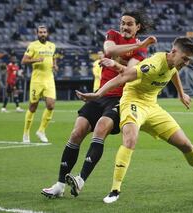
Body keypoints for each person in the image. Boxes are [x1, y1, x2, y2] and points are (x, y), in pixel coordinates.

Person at [76, 36, 193, 204]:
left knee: (185, 144)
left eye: (189, 60)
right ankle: (115, 190)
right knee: (130, 139)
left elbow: (173, 73)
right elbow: (123, 77)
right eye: (184, 58)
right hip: (133, 102)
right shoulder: (152, 64)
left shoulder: (173, 62)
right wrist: (98, 94)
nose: (186, 63)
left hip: (152, 106)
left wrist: (181, 94)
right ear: (173, 52)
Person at [41, 10, 156, 198]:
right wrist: (134, 47)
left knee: (100, 128)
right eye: (123, 23)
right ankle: (59, 185)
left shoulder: (142, 51)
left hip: (121, 98)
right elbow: (109, 50)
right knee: (77, 132)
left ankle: (80, 179)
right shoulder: (113, 35)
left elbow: (128, 72)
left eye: (129, 24)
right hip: (100, 95)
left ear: (138, 27)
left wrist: (117, 63)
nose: (124, 27)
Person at [21, 25, 58, 143]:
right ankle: (26, 133)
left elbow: (53, 57)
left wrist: (55, 65)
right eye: (40, 32)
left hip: (49, 79)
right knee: (33, 106)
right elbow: (24, 61)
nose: (43, 34)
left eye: (44, 32)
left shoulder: (52, 46)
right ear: (37, 33)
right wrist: (36, 60)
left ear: (47, 33)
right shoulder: (33, 45)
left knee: (51, 105)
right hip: (37, 80)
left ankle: (41, 131)